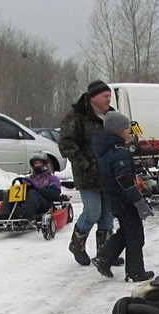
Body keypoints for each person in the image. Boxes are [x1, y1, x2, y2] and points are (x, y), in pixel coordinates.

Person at [59, 80, 121, 267]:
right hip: (87, 174)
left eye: (110, 96)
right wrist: (85, 165)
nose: (109, 99)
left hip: (108, 173)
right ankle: (77, 244)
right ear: (93, 97)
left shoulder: (111, 116)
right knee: (93, 211)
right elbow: (66, 144)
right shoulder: (76, 117)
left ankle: (105, 254)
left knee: (107, 214)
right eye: (105, 96)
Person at [91, 111, 155, 282]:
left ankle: (104, 257)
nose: (129, 132)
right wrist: (139, 202)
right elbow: (124, 180)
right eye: (126, 129)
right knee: (135, 234)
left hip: (114, 198)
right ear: (118, 131)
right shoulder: (119, 152)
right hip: (124, 200)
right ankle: (135, 272)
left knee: (126, 231)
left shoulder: (105, 150)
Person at [0, 152, 62, 220]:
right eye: (35, 163)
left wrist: (36, 190)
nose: (37, 165)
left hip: (44, 204)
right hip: (26, 204)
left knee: (32, 193)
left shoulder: (52, 178)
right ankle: (5, 216)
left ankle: (25, 218)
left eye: (39, 163)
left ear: (45, 163)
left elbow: (54, 194)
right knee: (10, 193)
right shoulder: (27, 179)